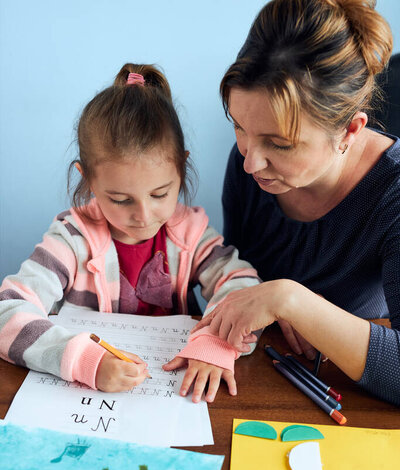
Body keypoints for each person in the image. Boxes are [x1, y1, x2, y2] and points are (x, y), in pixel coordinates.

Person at [0, 63, 259, 401]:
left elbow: (244, 290)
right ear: (88, 179)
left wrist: (214, 343)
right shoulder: (71, 238)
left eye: (160, 194)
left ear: (182, 167)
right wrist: (82, 360)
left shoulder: (191, 234)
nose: (143, 215)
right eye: (120, 199)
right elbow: (7, 312)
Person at [193, 0, 400, 404]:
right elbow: (240, 275)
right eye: (239, 126)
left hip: (343, 398)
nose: (250, 160)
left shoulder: (393, 194)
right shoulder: (252, 162)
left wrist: (290, 300)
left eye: (280, 144)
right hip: (263, 377)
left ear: (350, 131)